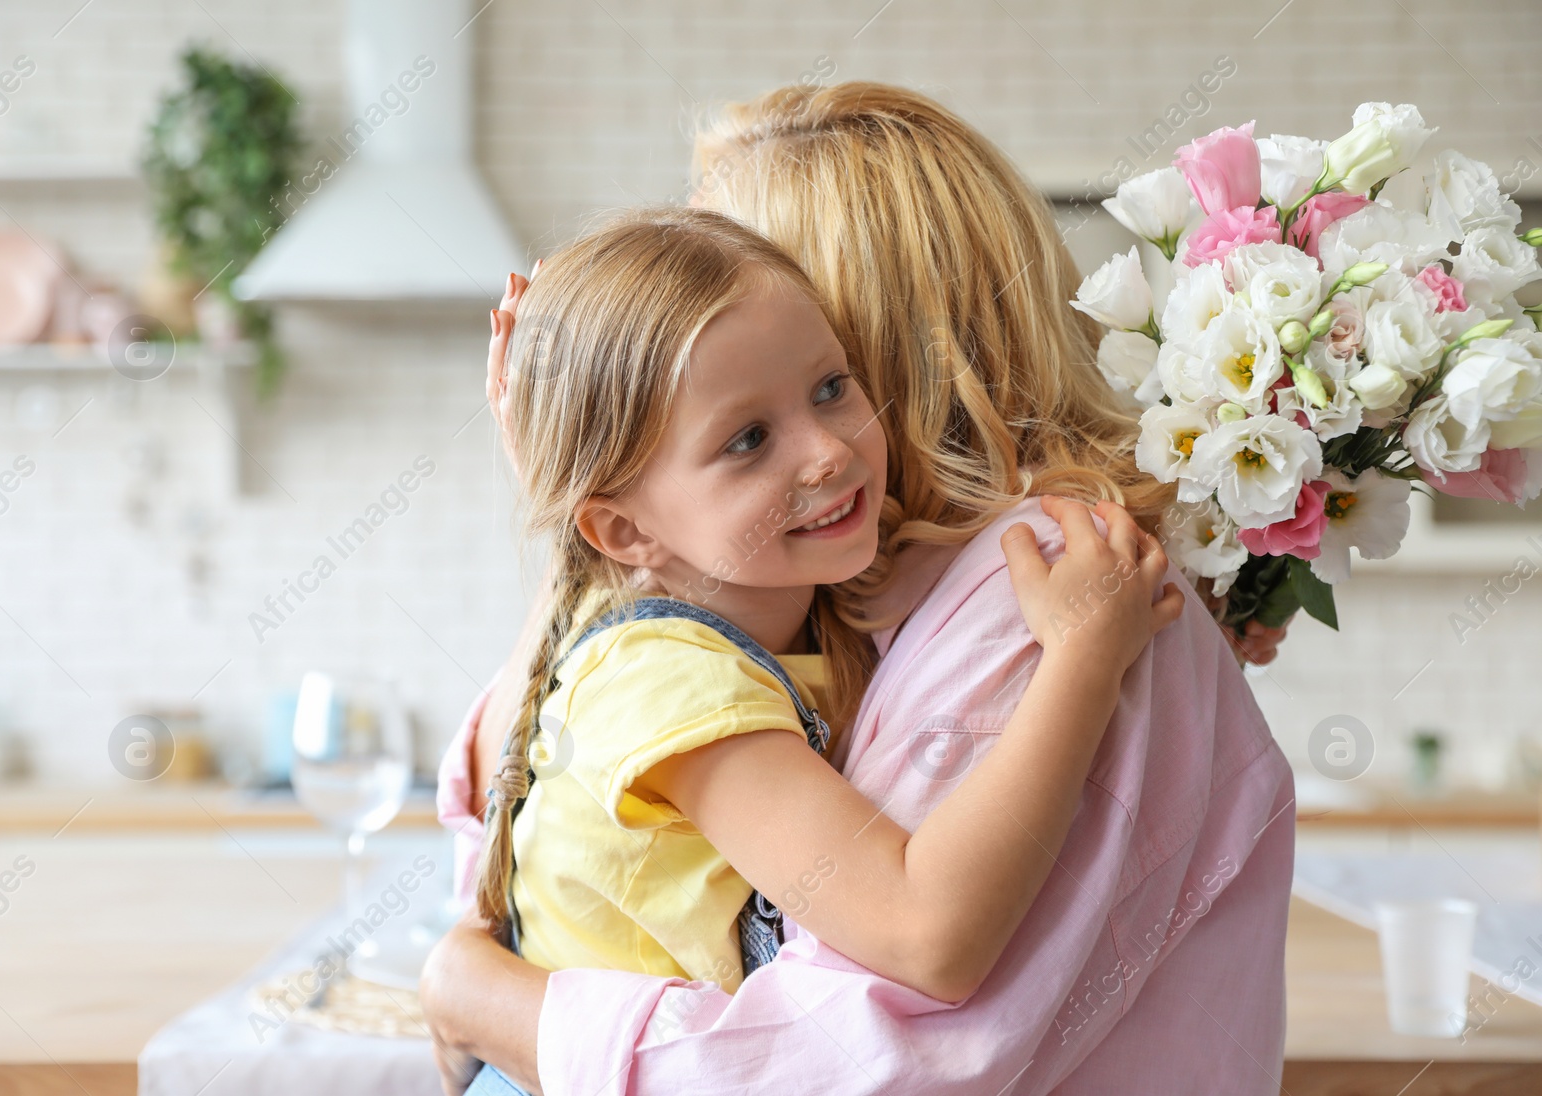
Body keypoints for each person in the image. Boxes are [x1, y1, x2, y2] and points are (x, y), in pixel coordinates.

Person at [423, 83, 1295, 1095]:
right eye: (738, 429)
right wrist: (577, 457)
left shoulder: (1036, 587)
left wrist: (487, 1003)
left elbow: (851, 1046)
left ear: (868, 341)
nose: (821, 449)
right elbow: (519, 801)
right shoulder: (791, 616)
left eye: (829, 383)